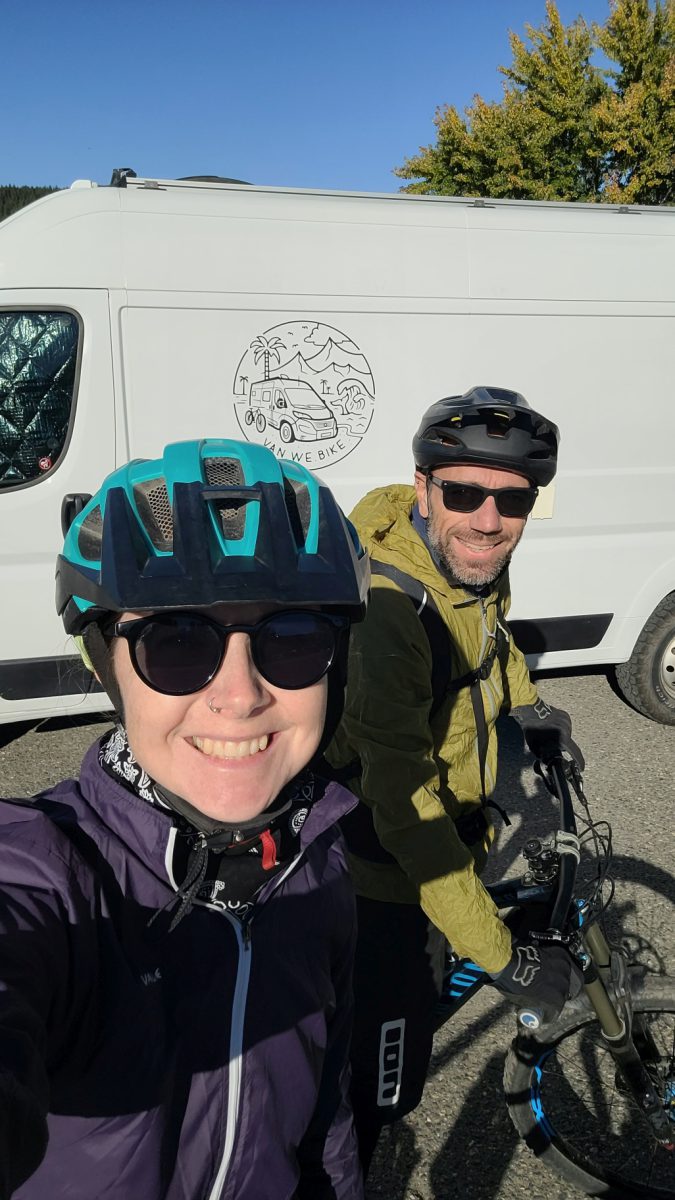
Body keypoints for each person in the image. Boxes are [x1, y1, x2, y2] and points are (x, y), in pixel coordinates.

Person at [0, 438, 369, 1200]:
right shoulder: (49, 872)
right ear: (106, 665)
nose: (240, 696)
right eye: (175, 641)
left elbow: (325, 1110)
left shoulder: (320, 861)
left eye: (292, 639)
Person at [326, 386, 585, 1171]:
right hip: (383, 872)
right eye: (464, 494)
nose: (488, 520)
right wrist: (503, 957)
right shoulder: (387, 613)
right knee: (382, 1085)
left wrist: (529, 706)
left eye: (513, 500)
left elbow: (488, 645)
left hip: (448, 831)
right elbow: (407, 814)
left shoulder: (468, 565)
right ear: (422, 488)